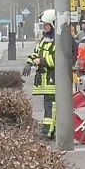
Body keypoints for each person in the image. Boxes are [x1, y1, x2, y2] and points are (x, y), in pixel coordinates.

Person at [28, 9, 58, 139]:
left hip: (53, 79)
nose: (45, 27)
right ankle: (50, 130)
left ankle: (48, 132)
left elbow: (57, 59)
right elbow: (36, 52)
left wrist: (41, 61)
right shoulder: (44, 39)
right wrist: (29, 63)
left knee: (51, 107)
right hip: (45, 78)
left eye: (47, 25)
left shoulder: (58, 40)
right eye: (44, 25)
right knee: (48, 106)